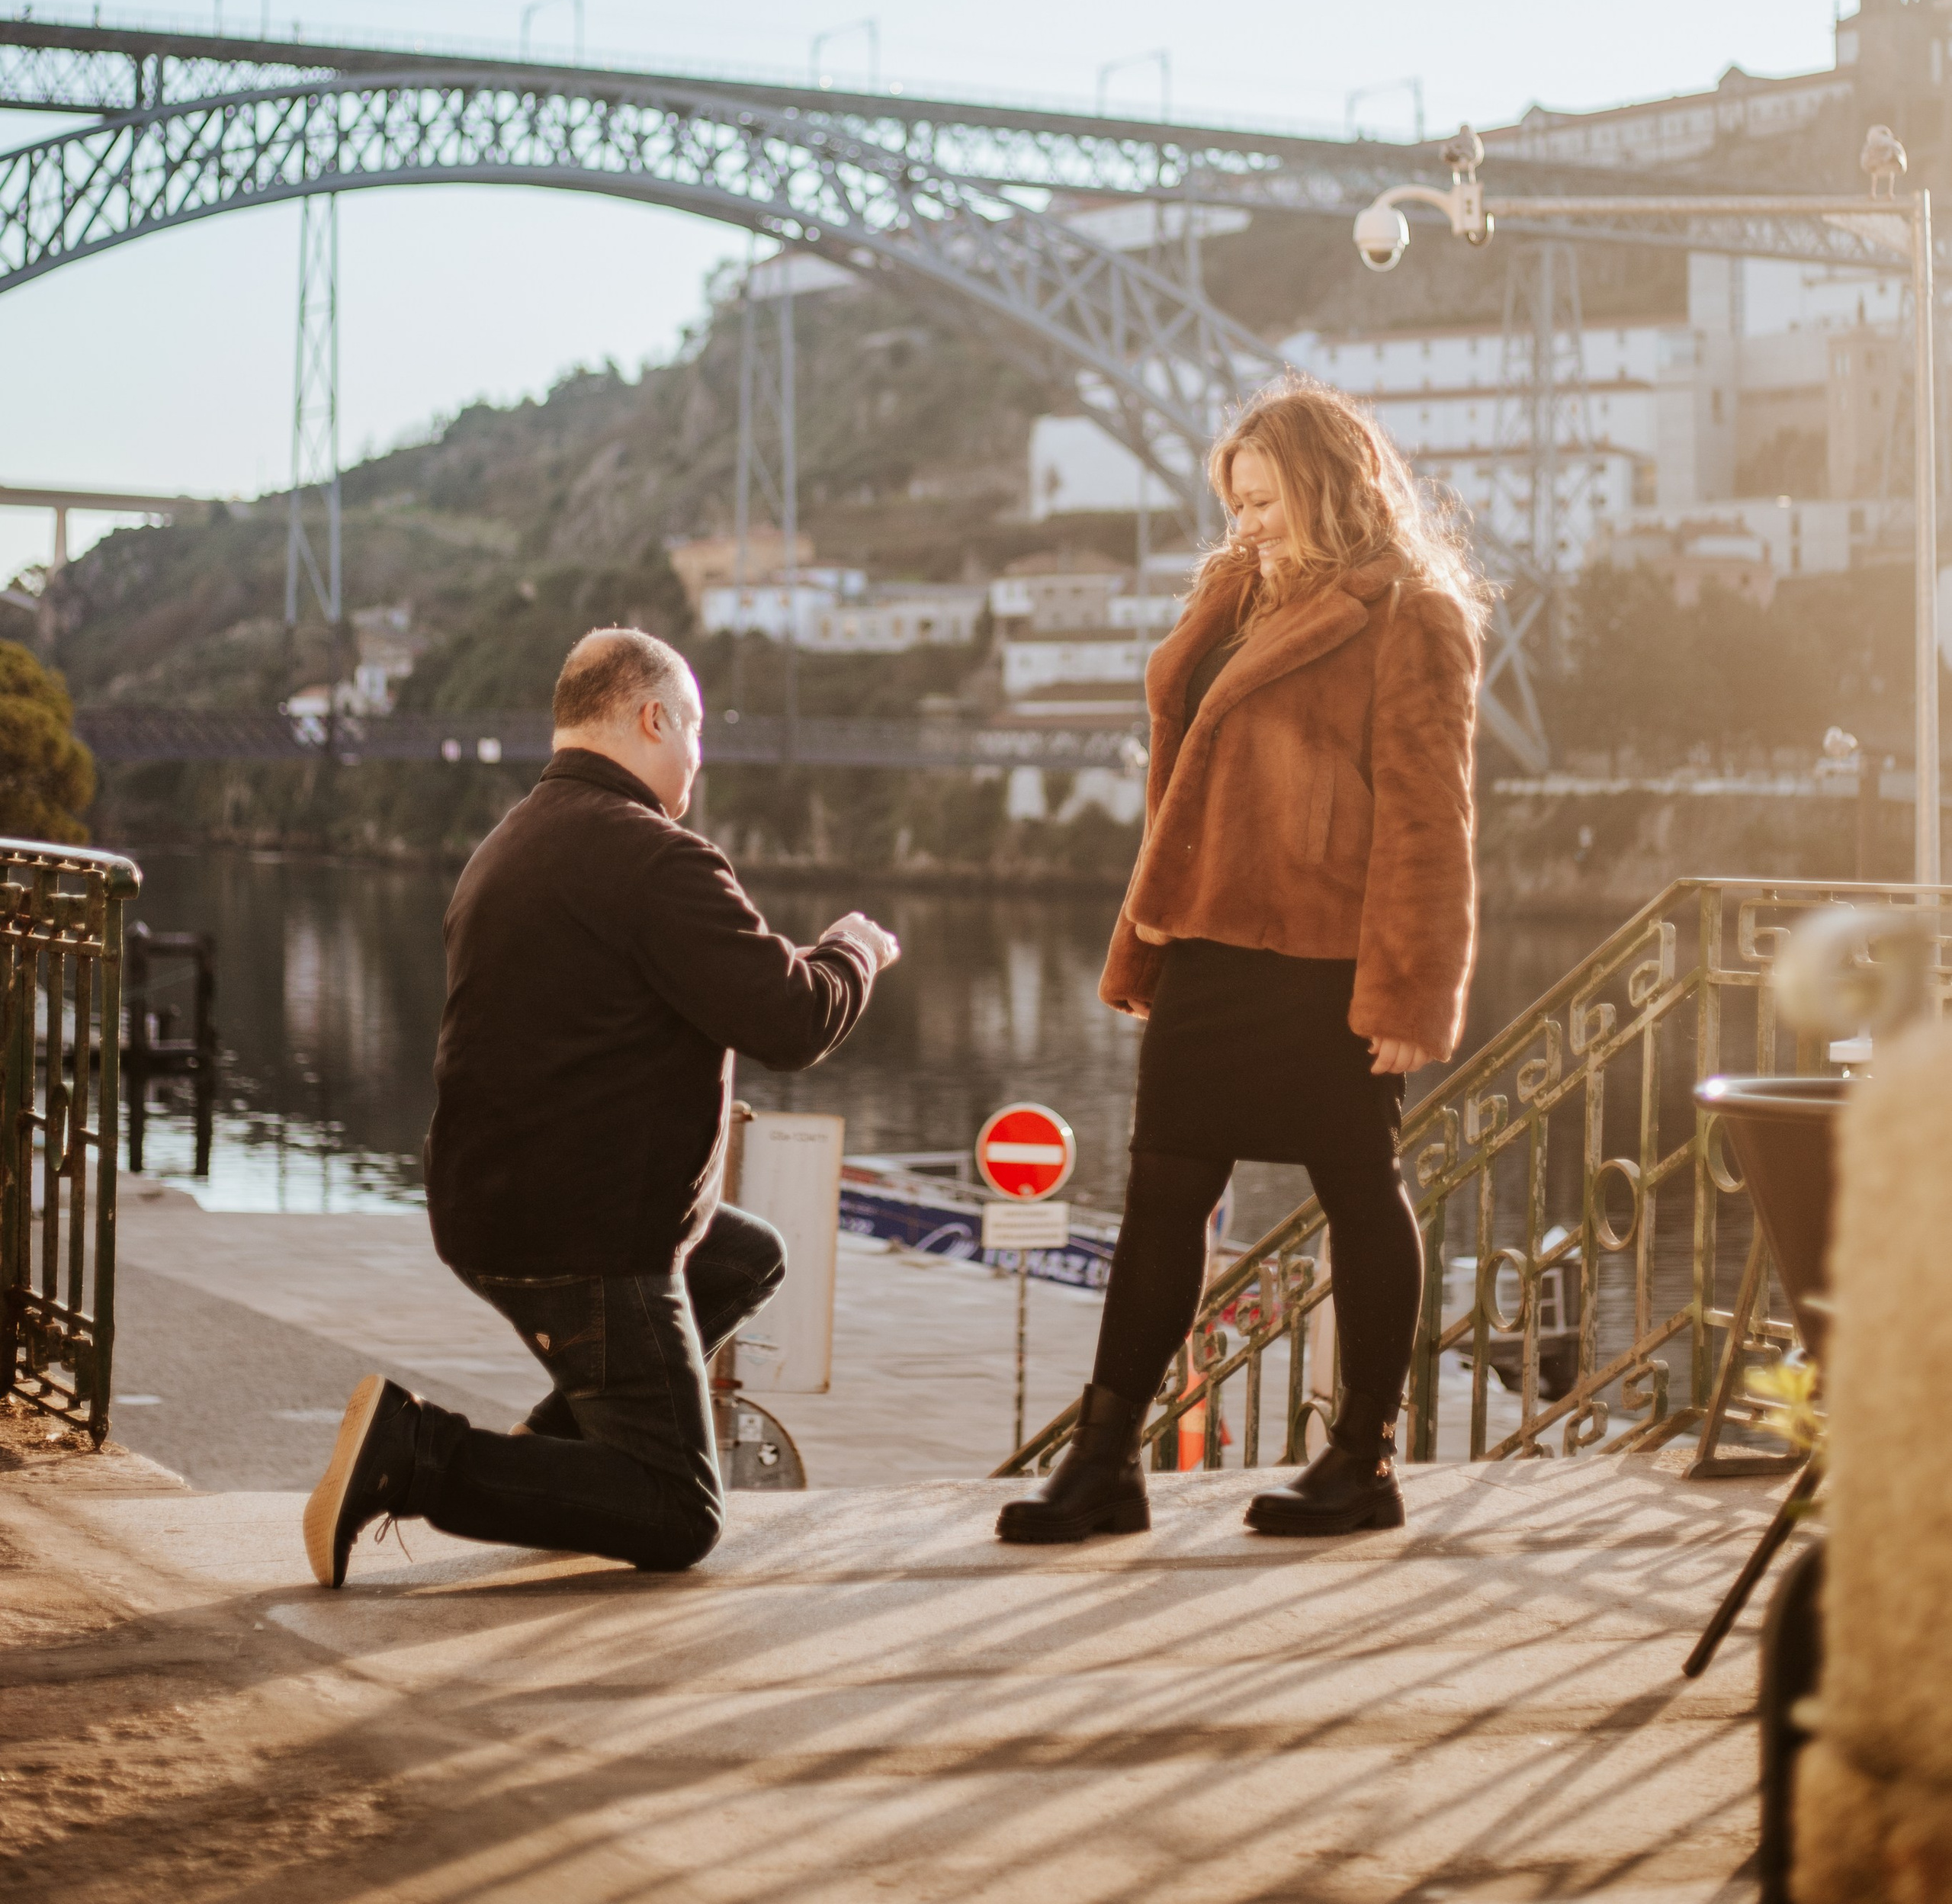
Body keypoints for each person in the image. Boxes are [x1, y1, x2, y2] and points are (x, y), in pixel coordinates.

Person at [304, 624, 897, 1588]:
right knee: (678, 1514)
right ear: (651, 716)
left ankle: (564, 1470)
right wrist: (854, 951)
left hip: (492, 1203)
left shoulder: (510, 843)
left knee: (745, 1258)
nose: (701, 754)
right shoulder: (653, 857)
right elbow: (791, 1019)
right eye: (695, 727)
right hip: (584, 1235)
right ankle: (415, 1455)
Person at [997, 377, 1482, 1548]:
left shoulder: (1411, 612)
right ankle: (1106, 1463)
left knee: (1361, 1194)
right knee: (1161, 1191)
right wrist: (1151, 934)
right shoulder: (1237, 598)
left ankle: (1360, 1460)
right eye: (1238, 500)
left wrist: (1411, 991)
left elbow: (1431, 816)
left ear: (1328, 486)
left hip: (1324, 958)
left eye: (1265, 499)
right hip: (1212, 941)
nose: (1247, 521)